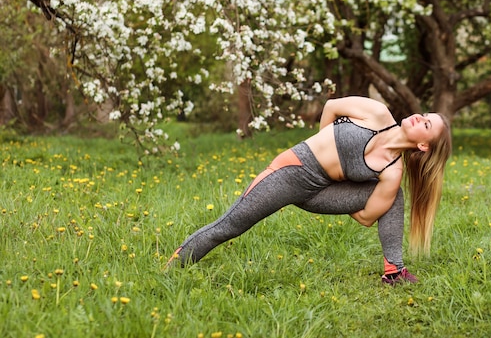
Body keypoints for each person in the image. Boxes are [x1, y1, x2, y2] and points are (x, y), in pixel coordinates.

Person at [168, 96, 452, 285]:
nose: (418, 117)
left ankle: (394, 271)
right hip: (291, 173)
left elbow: (366, 217)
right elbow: (331, 106)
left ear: (424, 146)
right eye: (424, 114)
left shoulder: (392, 171)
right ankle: (170, 270)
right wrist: (320, 143)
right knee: (230, 226)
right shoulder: (377, 113)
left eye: (426, 124)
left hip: (323, 193)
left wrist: (340, 187)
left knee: (393, 197)